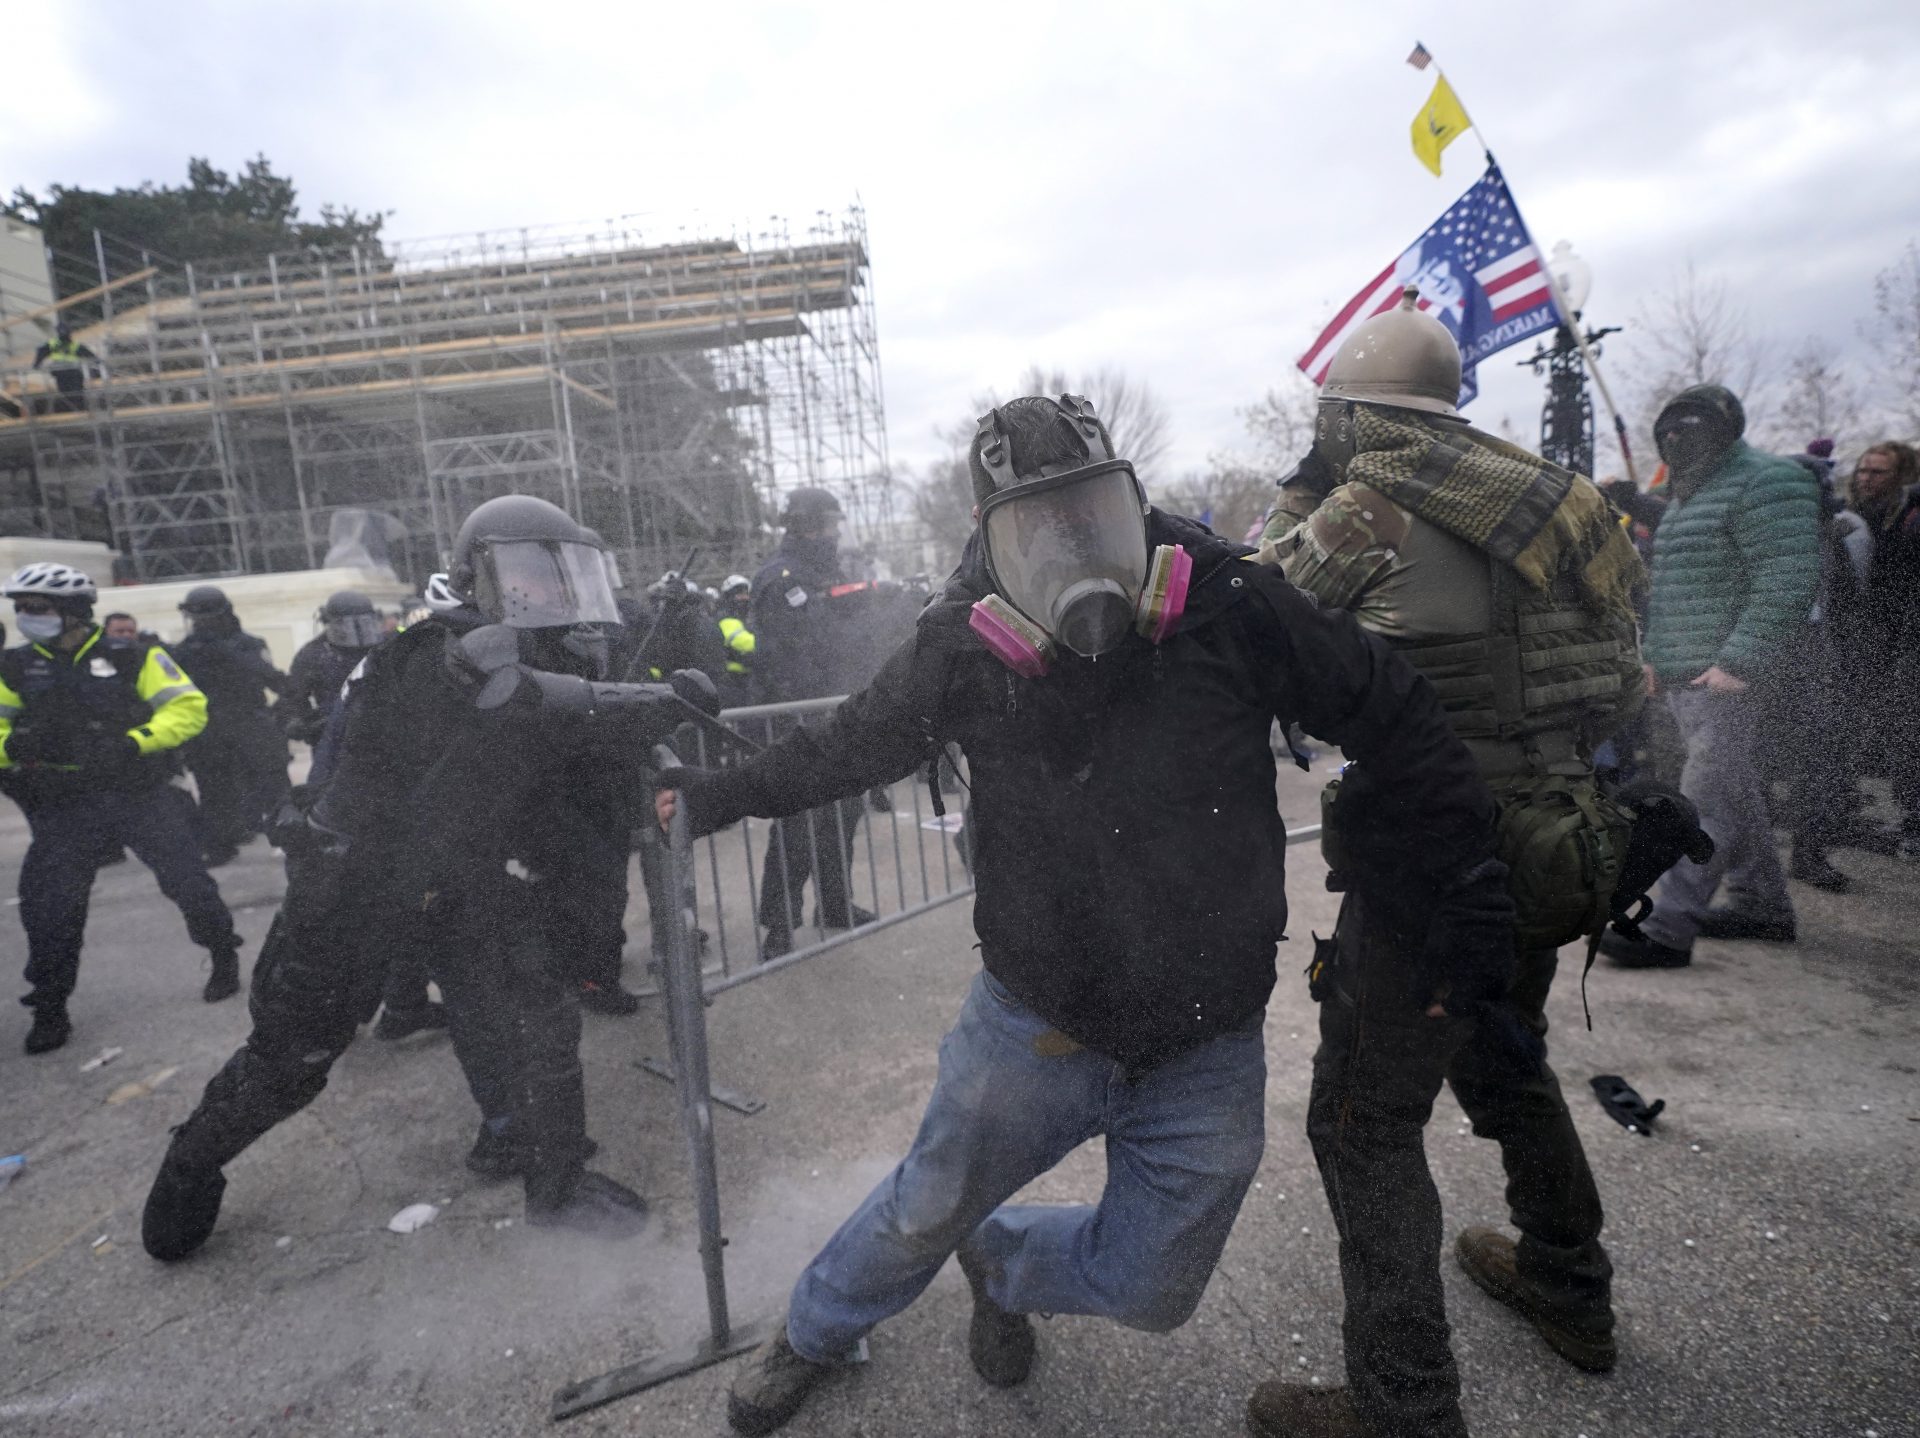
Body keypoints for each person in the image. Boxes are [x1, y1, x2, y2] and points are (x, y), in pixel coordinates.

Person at [654, 394, 1509, 1437]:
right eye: (1036, 528)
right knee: (923, 1205)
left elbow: (1396, 710)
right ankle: (814, 1333)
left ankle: (1002, 1258)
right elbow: (841, 751)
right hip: (1033, 1024)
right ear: (988, 543)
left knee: (1154, 1288)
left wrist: (1462, 877)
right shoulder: (960, 647)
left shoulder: (1235, 606)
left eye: (1090, 513)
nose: (1073, 550)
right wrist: (708, 796)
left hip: (1206, 1042)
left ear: (1135, 502)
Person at [1250, 287, 1646, 1436]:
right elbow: (1627, 677)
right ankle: (1572, 1290)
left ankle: (1403, 1408)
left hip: (1437, 852)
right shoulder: (1561, 503)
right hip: (1565, 836)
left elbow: (1265, 619)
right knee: (1504, 1051)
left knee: (1361, 1124)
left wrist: (1298, 497)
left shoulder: (1372, 504)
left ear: (1355, 415)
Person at [140, 497, 669, 1263]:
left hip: (458, 875)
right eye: (532, 574)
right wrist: (626, 704)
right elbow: (517, 714)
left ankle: (548, 1179)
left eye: (566, 576)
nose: (553, 594)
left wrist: (658, 711)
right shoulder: (434, 654)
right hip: (360, 884)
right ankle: (189, 1165)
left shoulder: (530, 652)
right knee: (295, 1060)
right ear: (478, 576)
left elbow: (561, 749)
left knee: (536, 1017)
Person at [1599, 386, 1821, 967]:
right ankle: (1761, 905)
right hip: (1688, 674)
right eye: (1668, 430)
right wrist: (1655, 657)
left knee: (1704, 804)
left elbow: (1787, 576)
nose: (1677, 439)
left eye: (1690, 428)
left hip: (1729, 676)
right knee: (1735, 791)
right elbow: (1674, 591)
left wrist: (1740, 659)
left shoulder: (1768, 481)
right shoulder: (1685, 495)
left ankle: (1668, 927)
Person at [0, 563, 244, 1053]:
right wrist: (20, 749)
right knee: (50, 908)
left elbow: (187, 707)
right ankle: (49, 1005)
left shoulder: (133, 655)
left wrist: (136, 742)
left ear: (72, 611)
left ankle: (222, 953)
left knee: (188, 882)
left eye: (38, 608)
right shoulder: (13, 667)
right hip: (65, 803)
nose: (27, 617)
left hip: (139, 793)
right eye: (21, 608)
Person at [747, 487, 877, 962]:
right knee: (798, 823)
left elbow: (844, 639)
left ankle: (836, 904)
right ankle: (779, 925)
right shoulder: (780, 579)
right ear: (803, 525)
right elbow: (794, 655)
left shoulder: (824, 572)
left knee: (844, 812)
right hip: (798, 719)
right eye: (827, 525)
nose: (834, 534)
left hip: (835, 713)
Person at [171, 588, 291, 866]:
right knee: (214, 789)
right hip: (209, 728)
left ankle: (287, 836)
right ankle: (222, 842)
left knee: (273, 785)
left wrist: (279, 715)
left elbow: (274, 680)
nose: (199, 623)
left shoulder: (247, 645)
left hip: (249, 721)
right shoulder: (186, 651)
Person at [1847, 441, 1920, 853]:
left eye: (1878, 472)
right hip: (1874, 641)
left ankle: (1915, 824)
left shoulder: (1910, 519)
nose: (1866, 478)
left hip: (1908, 641)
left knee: (1909, 733)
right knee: (1891, 733)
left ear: (1901, 477)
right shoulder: (1858, 516)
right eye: (1863, 470)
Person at [278, 591, 384, 745]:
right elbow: (292, 695)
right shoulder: (314, 654)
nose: (356, 632)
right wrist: (298, 721)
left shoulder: (386, 647)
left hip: (385, 732)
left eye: (363, 624)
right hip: (334, 736)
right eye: (346, 625)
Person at [32, 319, 99, 411]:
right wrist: (98, 363)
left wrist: (37, 364)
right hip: (70, 373)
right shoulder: (72, 345)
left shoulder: (54, 344)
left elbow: (41, 352)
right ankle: (78, 410)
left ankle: (75, 410)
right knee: (75, 393)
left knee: (68, 393)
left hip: (62, 373)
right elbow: (91, 356)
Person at [715, 573, 756, 707]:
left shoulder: (742, 618)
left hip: (744, 679)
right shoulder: (727, 619)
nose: (744, 597)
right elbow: (746, 643)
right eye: (739, 594)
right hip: (734, 681)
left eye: (746, 593)